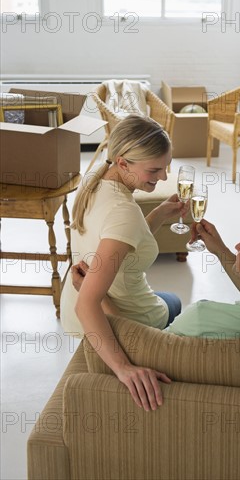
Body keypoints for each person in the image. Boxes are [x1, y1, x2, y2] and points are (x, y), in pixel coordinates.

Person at [72, 209, 240, 412]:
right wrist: (219, 249)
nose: (237, 247)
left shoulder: (202, 318)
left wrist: (96, 294)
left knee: (172, 303)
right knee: (170, 302)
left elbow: (139, 345)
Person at [61, 114, 189, 410]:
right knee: (175, 302)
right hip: (125, 318)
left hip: (74, 310)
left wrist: (157, 214)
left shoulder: (94, 181)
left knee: (167, 297)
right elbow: (88, 304)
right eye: (155, 170)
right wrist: (123, 367)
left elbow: (119, 239)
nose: (164, 178)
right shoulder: (123, 212)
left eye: (166, 167)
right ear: (123, 163)